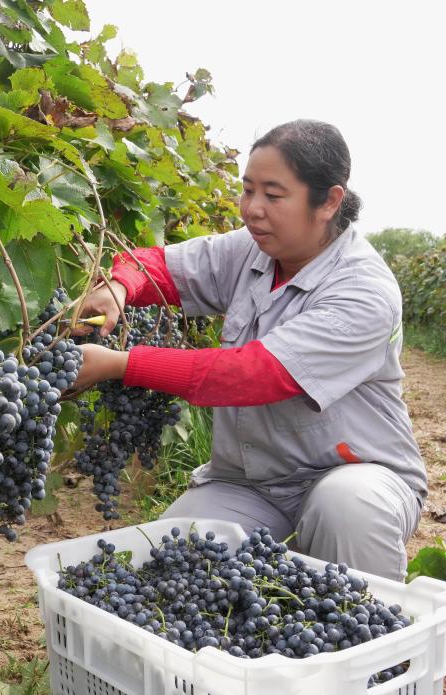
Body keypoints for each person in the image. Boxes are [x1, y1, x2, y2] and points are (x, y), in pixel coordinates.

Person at [72, 119, 425, 581]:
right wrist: (121, 287)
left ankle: (378, 651)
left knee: (345, 509)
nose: (252, 209)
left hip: (357, 475)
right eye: (248, 190)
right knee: (176, 559)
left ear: (329, 201)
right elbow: (160, 267)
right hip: (254, 485)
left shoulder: (362, 290)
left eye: (273, 196)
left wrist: (121, 365)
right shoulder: (251, 251)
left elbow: (253, 374)